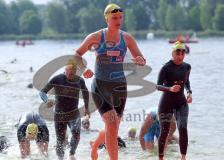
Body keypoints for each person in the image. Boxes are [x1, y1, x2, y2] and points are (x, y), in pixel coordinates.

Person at [74, 3, 146, 160]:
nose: (118, 20)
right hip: (100, 86)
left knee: (113, 127)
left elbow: (141, 59)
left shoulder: (126, 38)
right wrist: (83, 69)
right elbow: (77, 54)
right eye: (114, 18)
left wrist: (140, 61)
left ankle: (94, 144)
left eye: (120, 17)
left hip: (120, 87)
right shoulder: (96, 37)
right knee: (112, 125)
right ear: (107, 19)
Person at [39, 60, 90, 160]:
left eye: (73, 73)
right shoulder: (57, 79)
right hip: (59, 114)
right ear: (65, 70)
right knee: (60, 140)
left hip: (74, 112)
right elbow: (42, 92)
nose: (71, 75)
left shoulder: (80, 80)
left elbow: (85, 93)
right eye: (69, 73)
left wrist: (87, 108)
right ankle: (60, 158)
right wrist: (46, 101)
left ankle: (71, 154)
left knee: (76, 133)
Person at [156, 41, 192, 160]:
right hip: (166, 103)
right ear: (173, 53)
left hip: (181, 103)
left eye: (182, 53)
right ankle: (161, 157)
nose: (180, 56)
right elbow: (158, 86)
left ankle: (183, 157)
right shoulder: (166, 68)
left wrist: (189, 92)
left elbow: (186, 81)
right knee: (165, 131)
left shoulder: (187, 67)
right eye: (178, 53)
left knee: (183, 128)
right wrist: (170, 88)